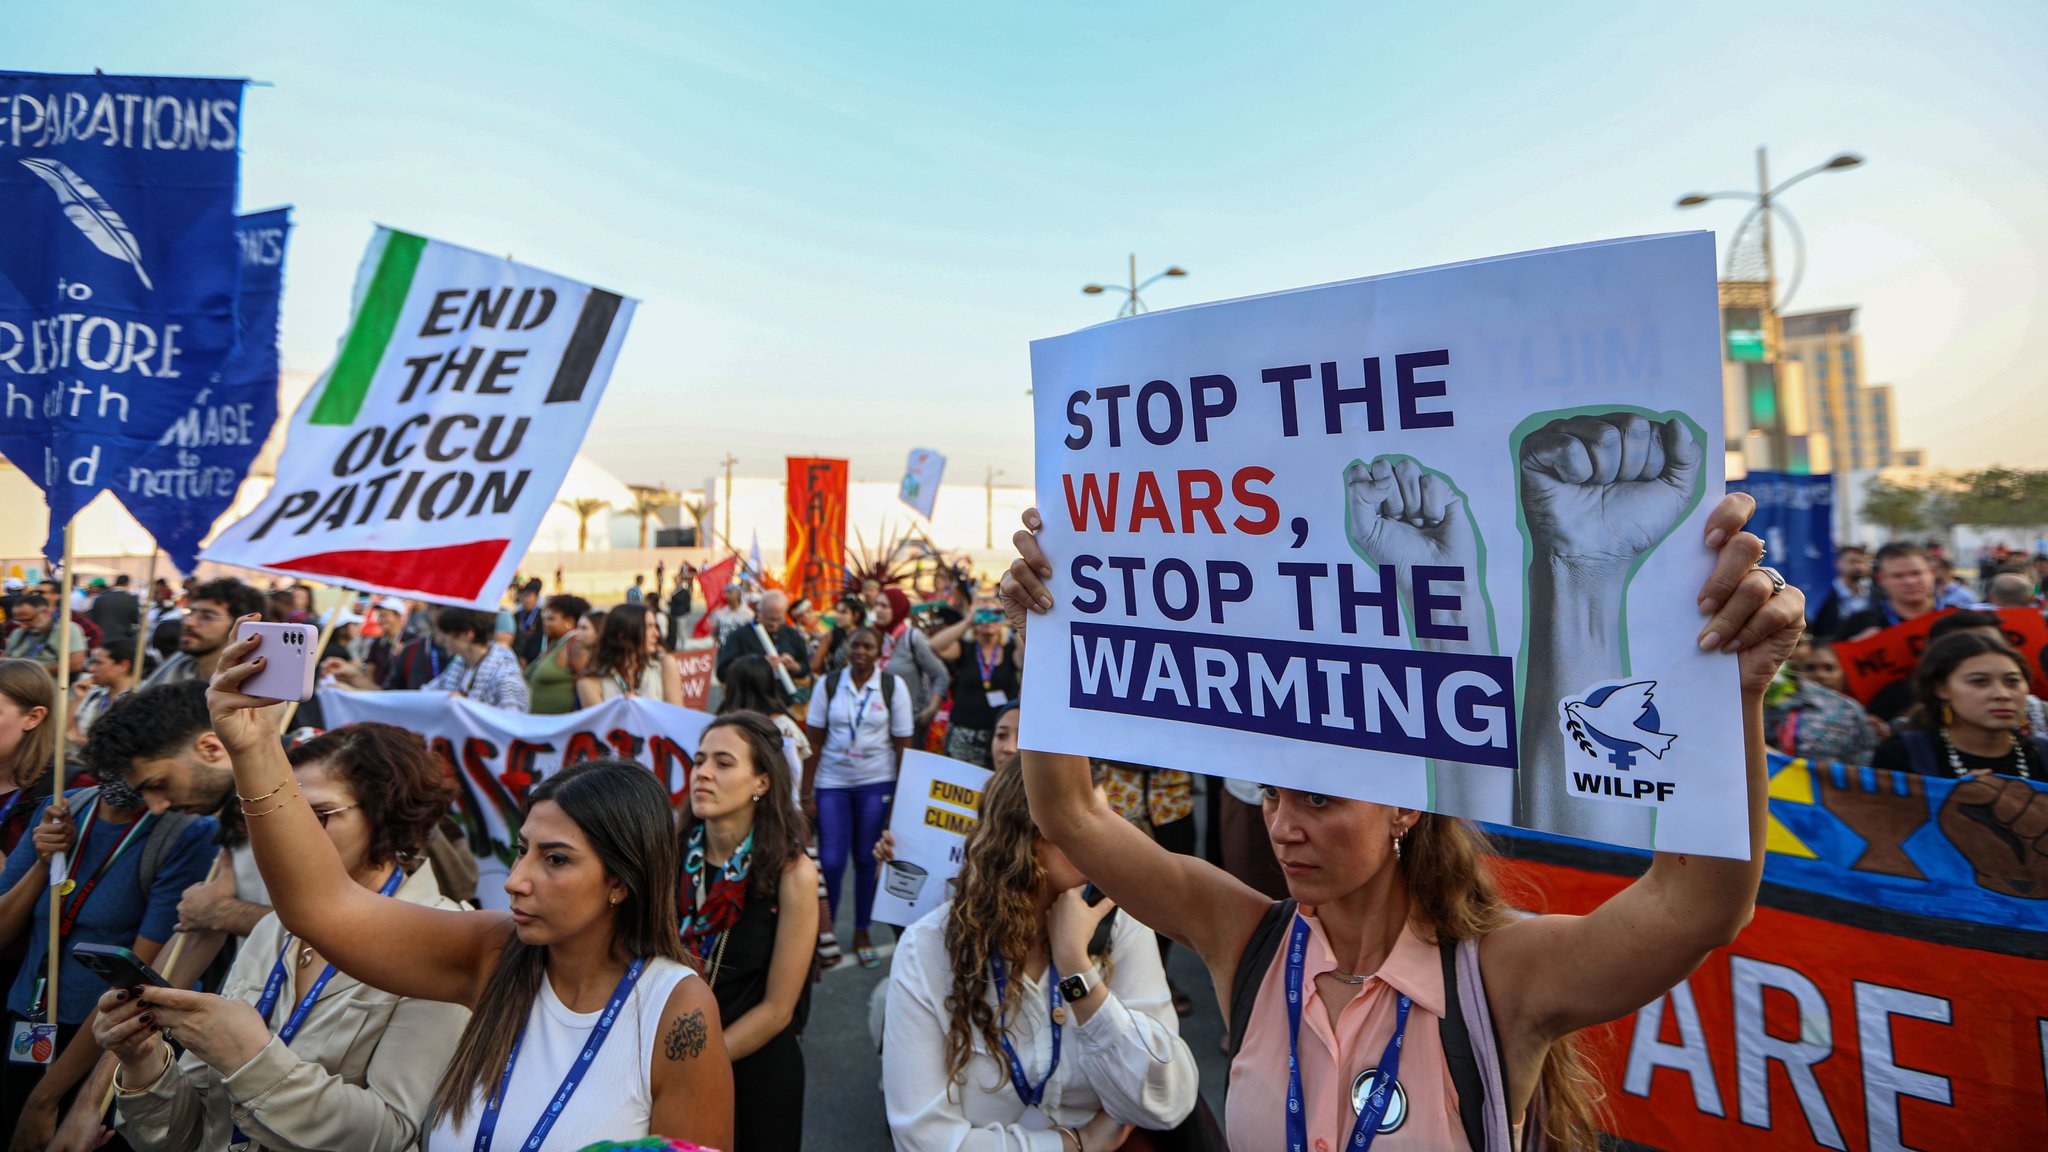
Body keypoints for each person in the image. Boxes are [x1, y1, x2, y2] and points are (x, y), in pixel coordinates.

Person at [998, 497, 1804, 1151]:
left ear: (1403, 807)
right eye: (1274, 798)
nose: (1282, 828)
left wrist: (1724, 695)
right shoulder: (1246, 941)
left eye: (1319, 801)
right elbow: (1068, 810)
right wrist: (1048, 648)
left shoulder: (1499, 977)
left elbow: (1699, 907)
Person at [206, 628, 733, 1150]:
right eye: (521, 850)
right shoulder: (494, 955)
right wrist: (254, 748)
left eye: (555, 860)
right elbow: (319, 909)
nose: (515, 881)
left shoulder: (676, 1009)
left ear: (621, 880)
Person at [93, 723, 472, 1152]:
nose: (292, 831)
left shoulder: (442, 940)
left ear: (387, 813)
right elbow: (183, 1136)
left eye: (319, 815)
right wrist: (145, 1062)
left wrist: (248, 1057)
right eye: (282, 812)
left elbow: (388, 1135)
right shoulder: (276, 925)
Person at [882, 757, 1199, 1151]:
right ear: (1024, 836)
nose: (1105, 839)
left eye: (1106, 819)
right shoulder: (926, 948)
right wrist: (1075, 1144)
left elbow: (1168, 1103)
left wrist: (1077, 972)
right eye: (1083, 822)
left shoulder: (1120, 923)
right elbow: (923, 1140)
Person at [0, 714, 216, 1147]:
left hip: (107, 1039)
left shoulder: (184, 831)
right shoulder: (62, 808)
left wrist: (50, 1099)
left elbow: (137, 978)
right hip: (28, 1019)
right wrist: (45, 864)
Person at [679, 712, 819, 1152]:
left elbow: (778, 1009)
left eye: (723, 763)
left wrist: (692, 1062)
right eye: (699, 760)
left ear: (761, 782)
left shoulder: (792, 873)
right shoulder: (668, 855)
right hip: (673, 1068)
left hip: (756, 1074)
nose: (703, 772)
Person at [802, 627, 912, 969]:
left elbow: (903, 745)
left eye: (868, 646)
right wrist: (805, 793)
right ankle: (826, 933)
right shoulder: (829, 684)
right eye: (855, 645)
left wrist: (900, 796)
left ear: (880, 652)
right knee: (831, 862)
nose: (860, 651)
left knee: (867, 861)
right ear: (847, 648)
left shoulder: (892, 687)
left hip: (876, 782)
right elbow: (814, 740)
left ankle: (862, 932)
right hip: (832, 782)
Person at [1871, 632, 2045, 779]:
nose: (2002, 694)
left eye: (2012, 681)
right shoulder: (1902, 755)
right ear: (1941, 689)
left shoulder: (2041, 754)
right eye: (1980, 682)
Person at [929, 594, 1020, 769]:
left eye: (994, 613)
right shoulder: (965, 648)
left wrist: (1013, 620)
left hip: (999, 736)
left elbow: (1028, 657)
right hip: (964, 734)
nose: (988, 619)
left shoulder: (1011, 649)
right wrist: (967, 621)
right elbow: (934, 646)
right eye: (982, 614)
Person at [1764, 637, 1878, 767]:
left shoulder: (1851, 710)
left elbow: (1862, 764)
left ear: (1843, 672)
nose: (1820, 675)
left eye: (1829, 668)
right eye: (1810, 668)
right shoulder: (1774, 703)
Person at [139, 577, 268, 690]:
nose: (189, 623)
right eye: (191, 613)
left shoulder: (252, 689)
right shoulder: (178, 667)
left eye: (208, 616)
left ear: (241, 626)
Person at [872, 588, 949, 748]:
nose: (878, 610)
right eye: (877, 605)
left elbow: (940, 674)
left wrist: (931, 708)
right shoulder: (873, 637)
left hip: (910, 722)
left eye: (885, 606)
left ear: (898, 608)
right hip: (876, 720)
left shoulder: (912, 638)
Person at [423, 607, 531, 712]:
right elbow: (428, 694)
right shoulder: (460, 662)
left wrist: (465, 705)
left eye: (447, 633)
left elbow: (513, 719)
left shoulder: (505, 671)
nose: (441, 640)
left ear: (467, 634)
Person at [577, 603, 682, 707]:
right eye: (649, 627)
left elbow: (676, 717)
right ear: (623, 634)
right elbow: (600, 722)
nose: (656, 634)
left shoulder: (664, 664)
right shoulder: (590, 680)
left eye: (655, 626)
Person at [1836, 542, 1939, 640]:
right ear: (1880, 579)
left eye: (1916, 573)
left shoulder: (1951, 618)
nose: (1909, 581)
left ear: (1932, 573)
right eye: (1898, 576)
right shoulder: (1859, 624)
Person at [715, 590, 811, 692]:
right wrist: (758, 665)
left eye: (779, 620)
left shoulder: (791, 634)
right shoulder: (739, 635)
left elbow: (805, 668)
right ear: (759, 612)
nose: (774, 625)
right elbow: (723, 672)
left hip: (783, 699)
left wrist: (794, 666)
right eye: (770, 619)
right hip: (750, 697)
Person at [525, 594, 594, 716]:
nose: (545, 623)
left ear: (569, 622)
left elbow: (587, 686)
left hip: (561, 726)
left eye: (551, 619)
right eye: (544, 618)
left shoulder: (574, 646)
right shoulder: (555, 644)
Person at [65, 645, 137, 758]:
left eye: (98, 663)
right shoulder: (92, 693)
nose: (91, 669)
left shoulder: (139, 698)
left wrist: (76, 738)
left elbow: (120, 745)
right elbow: (64, 730)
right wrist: (77, 699)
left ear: (123, 666)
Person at [5, 593, 87, 676]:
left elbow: (76, 664)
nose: (23, 625)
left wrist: (31, 671)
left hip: (50, 685)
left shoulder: (67, 629)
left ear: (45, 613)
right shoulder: (17, 633)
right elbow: (6, 659)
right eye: (19, 621)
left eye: (27, 620)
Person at [1807, 545, 1870, 636]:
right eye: (1852, 562)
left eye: (1863, 562)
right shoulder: (1823, 595)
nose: (1858, 566)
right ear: (1838, 563)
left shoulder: (1875, 596)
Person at [809, 596, 867, 680]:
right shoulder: (831, 636)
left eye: (843, 612)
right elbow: (815, 665)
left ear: (856, 615)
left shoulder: (866, 636)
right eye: (837, 612)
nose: (838, 616)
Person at [85, 575, 140, 654]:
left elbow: (93, 620)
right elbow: (135, 620)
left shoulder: (100, 598)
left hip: (101, 640)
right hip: (120, 642)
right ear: (127, 584)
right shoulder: (132, 600)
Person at [512, 579, 548, 665]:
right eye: (524, 595)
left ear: (536, 597)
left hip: (535, 660)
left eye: (529, 596)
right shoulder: (516, 616)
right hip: (516, 659)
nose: (526, 599)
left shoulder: (542, 616)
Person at [666, 569, 695, 653]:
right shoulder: (675, 590)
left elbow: (681, 600)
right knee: (676, 631)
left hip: (680, 613)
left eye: (677, 579)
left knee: (682, 631)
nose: (675, 581)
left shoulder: (683, 590)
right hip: (674, 613)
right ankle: (679, 645)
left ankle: (685, 645)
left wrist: (673, 598)